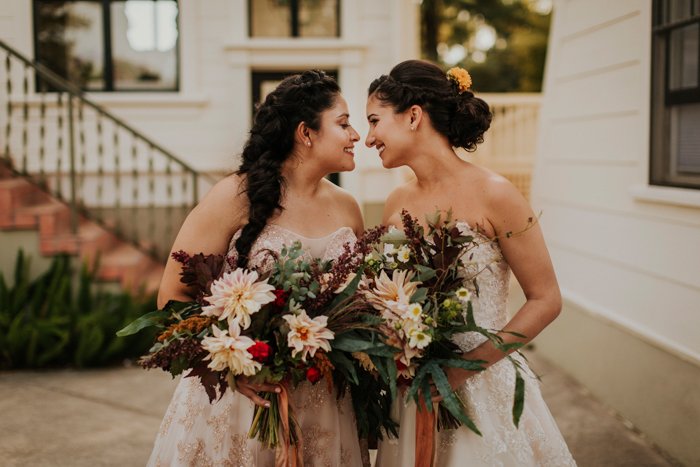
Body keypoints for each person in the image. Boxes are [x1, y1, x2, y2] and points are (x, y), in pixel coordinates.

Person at [148, 70, 365, 466]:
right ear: (306, 133)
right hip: (244, 401)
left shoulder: (348, 208)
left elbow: (359, 302)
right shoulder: (235, 195)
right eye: (344, 123)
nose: (357, 136)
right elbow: (172, 298)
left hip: (325, 403)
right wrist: (236, 368)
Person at [365, 60, 576, 466]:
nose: (370, 137)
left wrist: (459, 373)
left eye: (375, 121)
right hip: (414, 392)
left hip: (485, 387)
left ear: (413, 116)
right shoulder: (396, 203)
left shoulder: (497, 194)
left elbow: (546, 299)